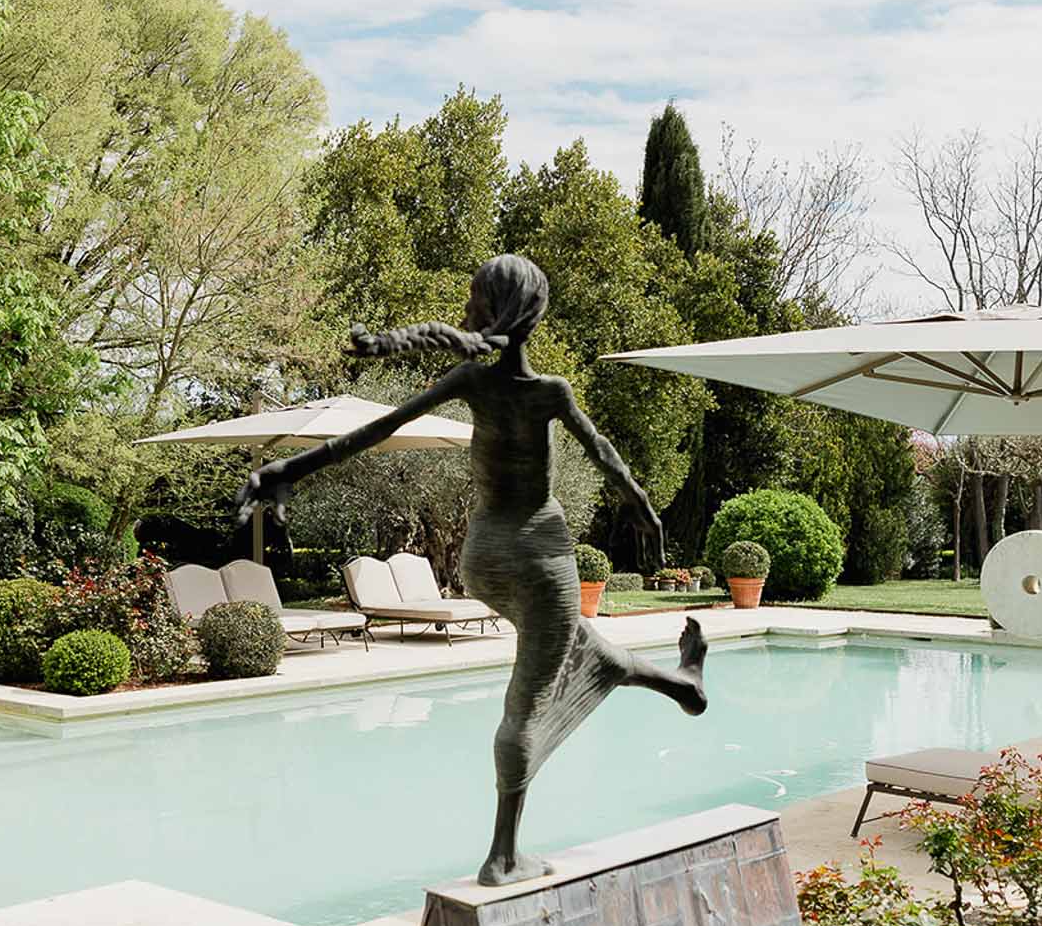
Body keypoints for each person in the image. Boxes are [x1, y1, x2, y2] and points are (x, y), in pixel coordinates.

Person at [240, 254, 709, 885]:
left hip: (482, 561)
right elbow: (602, 453)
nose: (464, 309)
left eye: (473, 299)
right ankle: (504, 856)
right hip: (541, 560)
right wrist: (643, 507)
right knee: (529, 701)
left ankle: (685, 686)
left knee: (584, 646)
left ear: (494, 311)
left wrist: (287, 468)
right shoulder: (549, 392)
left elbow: (376, 430)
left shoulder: (470, 380)